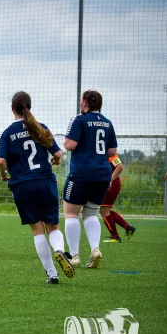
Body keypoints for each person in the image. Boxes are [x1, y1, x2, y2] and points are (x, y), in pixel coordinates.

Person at [0, 91, 74, 284]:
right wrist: (54, 161)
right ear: (29, 108)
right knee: (53, 226)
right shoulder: (40, 128)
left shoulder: (7, 133)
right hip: (45, 181)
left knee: (37, 230)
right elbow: (58, 153)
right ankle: (59, 250)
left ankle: (52, 274)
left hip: (22, 184)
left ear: (12, 108)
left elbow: (0, 161)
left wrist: (3, 174)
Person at [64, 90, 117, 269]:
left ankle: (75, 256)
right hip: (102, 174)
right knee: (91, 214)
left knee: (71, 214)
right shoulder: (107, 122)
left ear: (85, 102)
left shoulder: (79, 120)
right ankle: (95, 250)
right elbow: (112, 152)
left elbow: (69, 145)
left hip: (81, 173)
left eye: (82, 99)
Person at [100, 154, 137, 242]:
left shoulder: (109, 153)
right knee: (106, 210)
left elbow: (119, 167)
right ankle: (128, 228)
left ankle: (115, 237)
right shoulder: (99, 152)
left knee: (104, 212)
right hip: (108, 185)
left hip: (111, 185)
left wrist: (110, 179)